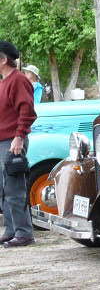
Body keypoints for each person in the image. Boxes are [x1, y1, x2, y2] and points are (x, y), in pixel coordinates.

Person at [0, 41, 37, 247]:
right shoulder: (4, 81)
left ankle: (24, 233)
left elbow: (27, 111)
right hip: (3, 141)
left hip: (13, 141)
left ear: (4, 59)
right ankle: (12, 229)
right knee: (4, 189)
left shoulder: (18, 80)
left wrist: (19, 136)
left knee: (15, 188)